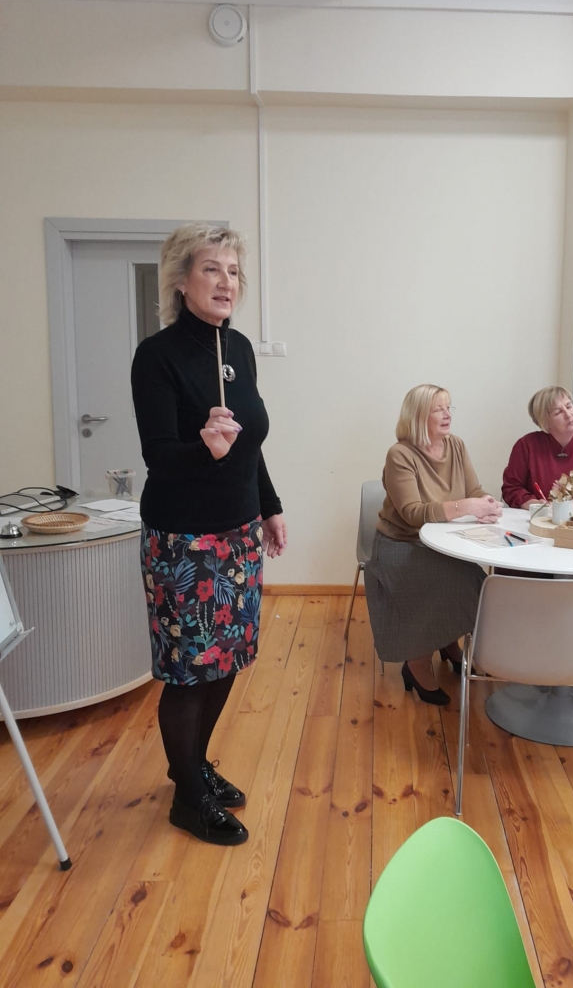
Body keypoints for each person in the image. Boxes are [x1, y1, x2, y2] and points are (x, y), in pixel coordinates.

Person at [132, 223, 287, 846]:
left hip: (239, 533)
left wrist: (269, 505)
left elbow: (250, 442)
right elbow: (159, 456)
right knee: (189, 672)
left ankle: (193, 767)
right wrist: (204, 447)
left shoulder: (239, 348)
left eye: (234, 272)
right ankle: (187, 797)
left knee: (228, 662)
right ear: (181, 280)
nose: (226, 282)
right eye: (211, 269)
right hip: (184, 541)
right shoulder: (157, 356)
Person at [365, 384, 501, 706]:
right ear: (417, 416)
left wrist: (486, 503)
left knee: (476, 582)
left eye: (449, 407)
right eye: (438, 409)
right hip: (401, 545)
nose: (447, 414)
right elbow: (412, 514)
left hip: (445, 542)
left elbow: (474, 489)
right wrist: (465, 507)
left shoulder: (456, 445)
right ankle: (417, 663)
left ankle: (446, 641)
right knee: (459, 581)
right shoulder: (400, 454)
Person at [501, 387, 573, 509]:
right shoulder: (526, 445)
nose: (568, 415)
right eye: (558, 412)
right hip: (538, 516)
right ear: (545, 423)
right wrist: (534, 504)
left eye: (569, 406)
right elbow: (511, 489)